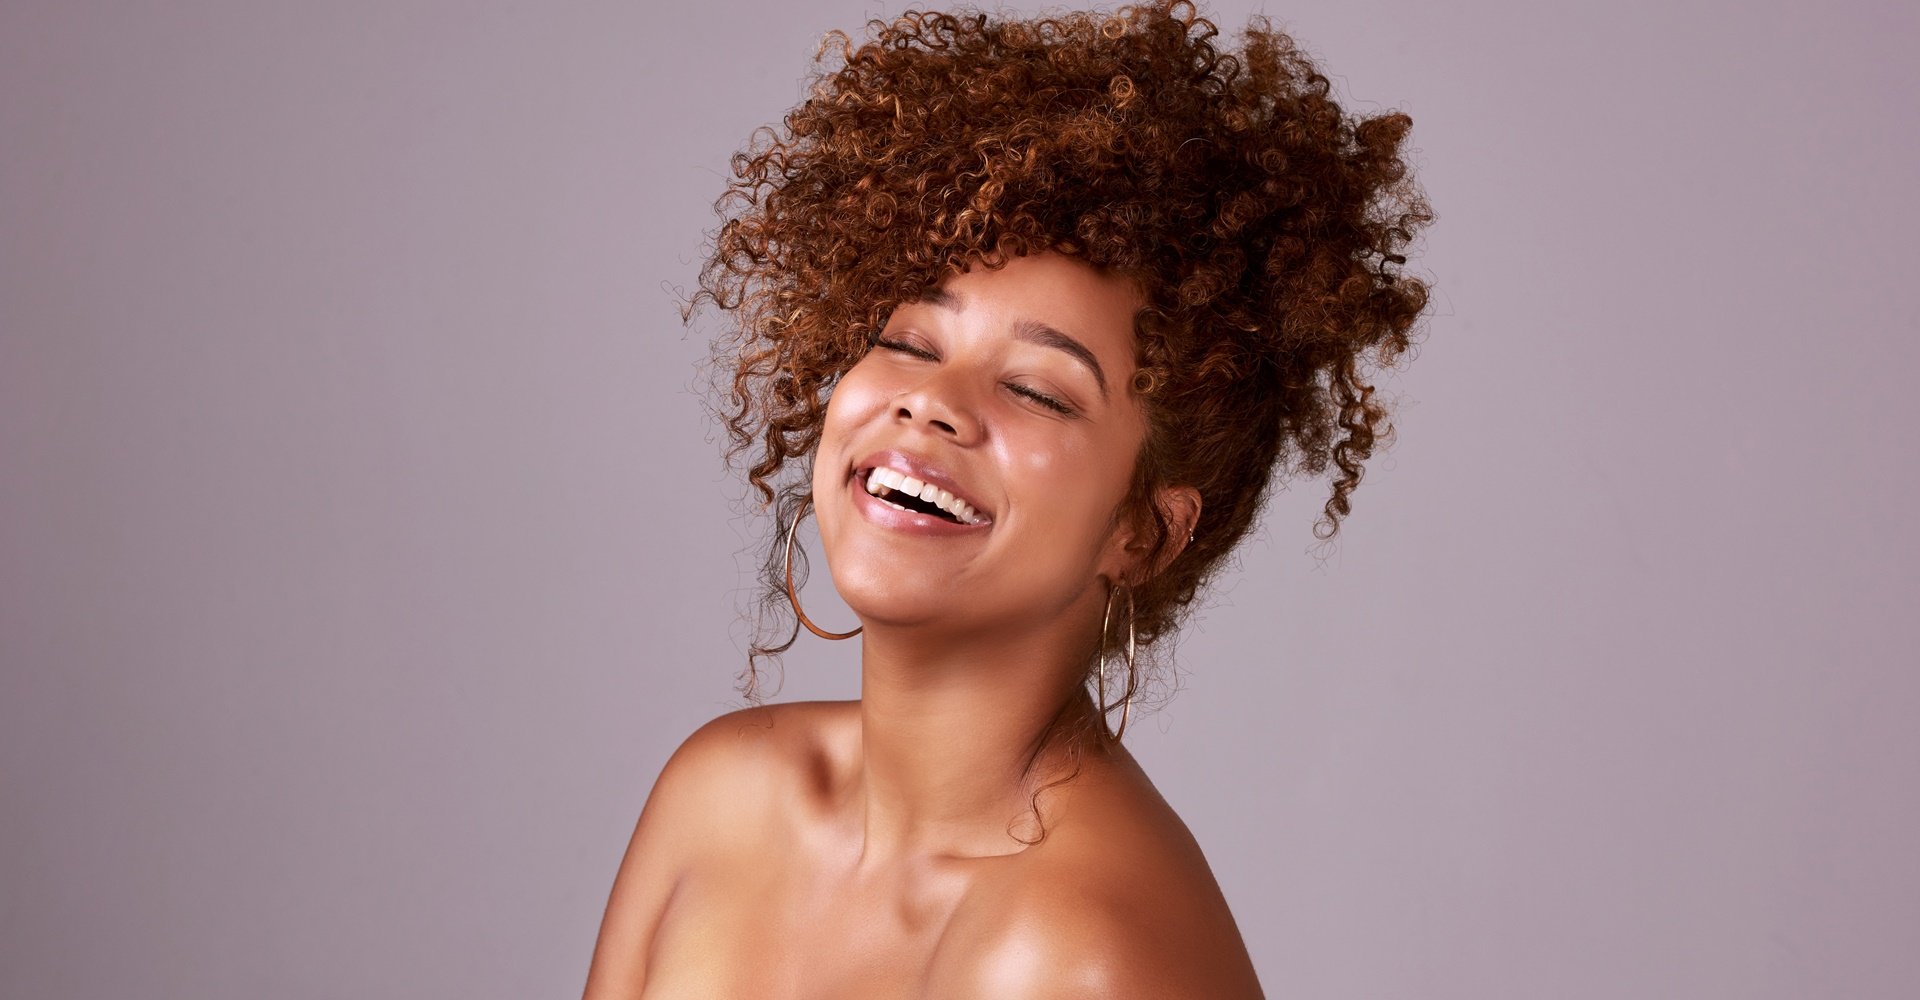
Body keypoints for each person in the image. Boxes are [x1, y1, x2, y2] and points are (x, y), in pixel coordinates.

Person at [583, 0, 1432, 995]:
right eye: (908, 341)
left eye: (1035, 389)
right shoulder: (715, 797)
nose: (930, 402)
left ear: (1144, 532)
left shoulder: (1093, 951)